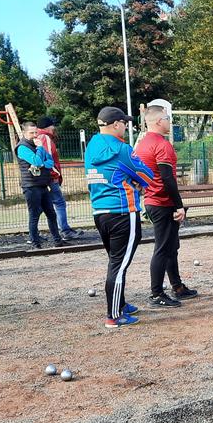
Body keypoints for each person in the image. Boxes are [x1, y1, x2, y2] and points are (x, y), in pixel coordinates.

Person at [86, 106, 155, 328]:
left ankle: (121, 304)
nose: (126, 126)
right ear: (115, 124)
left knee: (115, 261)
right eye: (124, 123)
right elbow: (147, 176)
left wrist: (129, 179)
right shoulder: (122, 149)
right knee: (119, 265)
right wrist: (134, 181)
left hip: (100, 211)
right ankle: (113, 315)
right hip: (123, 212)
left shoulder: (92, 146)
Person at [133, 98, 197, 308]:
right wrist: (179, 205)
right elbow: (168, 178)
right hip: (163, 202)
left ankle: (177, 286)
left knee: (170, 246)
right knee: (163, 248)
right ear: (160, 121)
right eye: (168, 118)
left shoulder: (142, 144)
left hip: (152, 200)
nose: (170, 122)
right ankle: (156, 293)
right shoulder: (162, 145)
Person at [16, 121, 66, 250]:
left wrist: (41, 160)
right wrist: (40, 152)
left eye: (36, 132)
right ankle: (35, 242)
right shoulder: (22, 147)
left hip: (43, 184)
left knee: (51, 213)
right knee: (34, 215)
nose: (34, 135)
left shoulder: (39, 146)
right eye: (31, 133)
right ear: (24, 133)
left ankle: (57, 240)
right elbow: (37, 161)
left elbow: (50, 162)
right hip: (31, 186)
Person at [34, 116, 82, 240]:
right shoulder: (45, 138)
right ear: (47, 127)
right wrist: (54, 175)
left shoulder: (37, 137)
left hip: (42, 178)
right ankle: (65, 230)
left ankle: (34, 234)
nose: (54, 128)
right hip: (49, 178)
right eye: (52, 125)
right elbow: (48, 158)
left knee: (43, 205)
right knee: (58, 203)